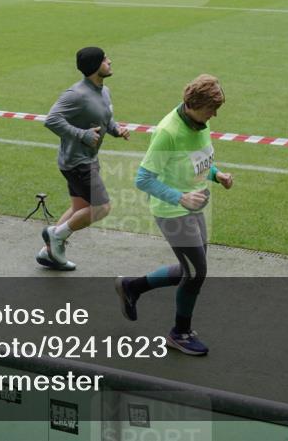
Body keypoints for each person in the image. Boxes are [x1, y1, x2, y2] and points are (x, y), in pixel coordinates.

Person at [115, 74, 233, 356]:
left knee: (189, 269)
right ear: (194, 104)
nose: (214, 115)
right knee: (196, 273)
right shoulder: (168, 132)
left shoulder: (200, 122)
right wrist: (180, 197)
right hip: (172, 211)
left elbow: (195, 161)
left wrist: (216, 175)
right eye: (211, 109)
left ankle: (132, 286)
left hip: (194, 206)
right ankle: (179, 333)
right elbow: (143, 179)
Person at [38, 46, 129, 270]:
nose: (110, 61)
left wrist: (116, 130)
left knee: (80, 207)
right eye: (105, 59)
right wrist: (82, 135)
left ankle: (48, 253)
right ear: (95, 66)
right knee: (102, 207)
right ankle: (56, 235)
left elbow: (105, 118)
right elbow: (52, 120)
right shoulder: (76, 94)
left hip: (88, 159)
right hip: (77, 162)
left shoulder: (104, 91)